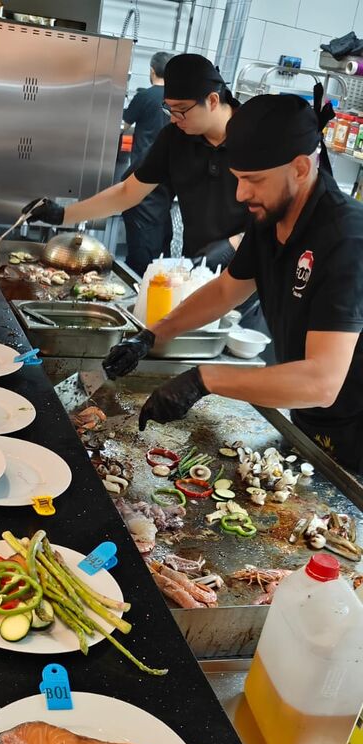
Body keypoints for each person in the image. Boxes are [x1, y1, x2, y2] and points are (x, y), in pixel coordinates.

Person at [102, 94, 363, 474]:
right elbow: (227, 290)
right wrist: (151, 335)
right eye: (238, 178)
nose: (241, 194)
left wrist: (204, 379)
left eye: (253, 180)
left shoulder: (346, 240)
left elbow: (322, 381)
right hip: (308, 418)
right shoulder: (272, 217)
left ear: (301, 168)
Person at [23, 54, 250, 273]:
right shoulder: (175, 137)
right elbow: (127, 192)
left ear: (212, 100)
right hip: (198, 266)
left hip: (249, 267)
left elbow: (272, 217)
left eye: (181, 110)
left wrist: (233, 246)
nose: (173, 118)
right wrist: (63, 215)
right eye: (169, 109)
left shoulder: (256, 136)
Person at [120, 50, 173, 275]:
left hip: (142, 178)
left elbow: (121, 127)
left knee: (141, 249)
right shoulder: (177, 101)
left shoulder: (145, 97)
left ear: (152, 71)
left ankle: (139, 281)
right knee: (159, 241)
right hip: (167, 182)